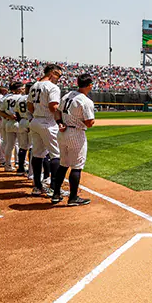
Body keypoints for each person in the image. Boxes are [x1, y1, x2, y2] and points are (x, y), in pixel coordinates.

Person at [52, 73, 95, 206]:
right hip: (76, 133)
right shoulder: (86, 101)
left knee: (63, 164)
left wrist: (59, 122)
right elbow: (89, 122)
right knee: (77, 166)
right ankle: (73, 197)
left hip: (63, 131)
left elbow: (57, 111)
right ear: (89, 85)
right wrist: (92, 121)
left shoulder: (67, 95)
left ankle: (56, 194)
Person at [28, 64, 63, 197]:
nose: (58, 78)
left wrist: (37, 113)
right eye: (58, 75)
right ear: (52, 72)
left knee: (37, 154)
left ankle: (37, 186)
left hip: (36, 120)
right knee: (56, 154)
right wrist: (61, 120)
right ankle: (54, 188)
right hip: (48, 122)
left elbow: (29, 106)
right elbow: (53, 106)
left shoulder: (34, 85)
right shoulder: (52, 87)